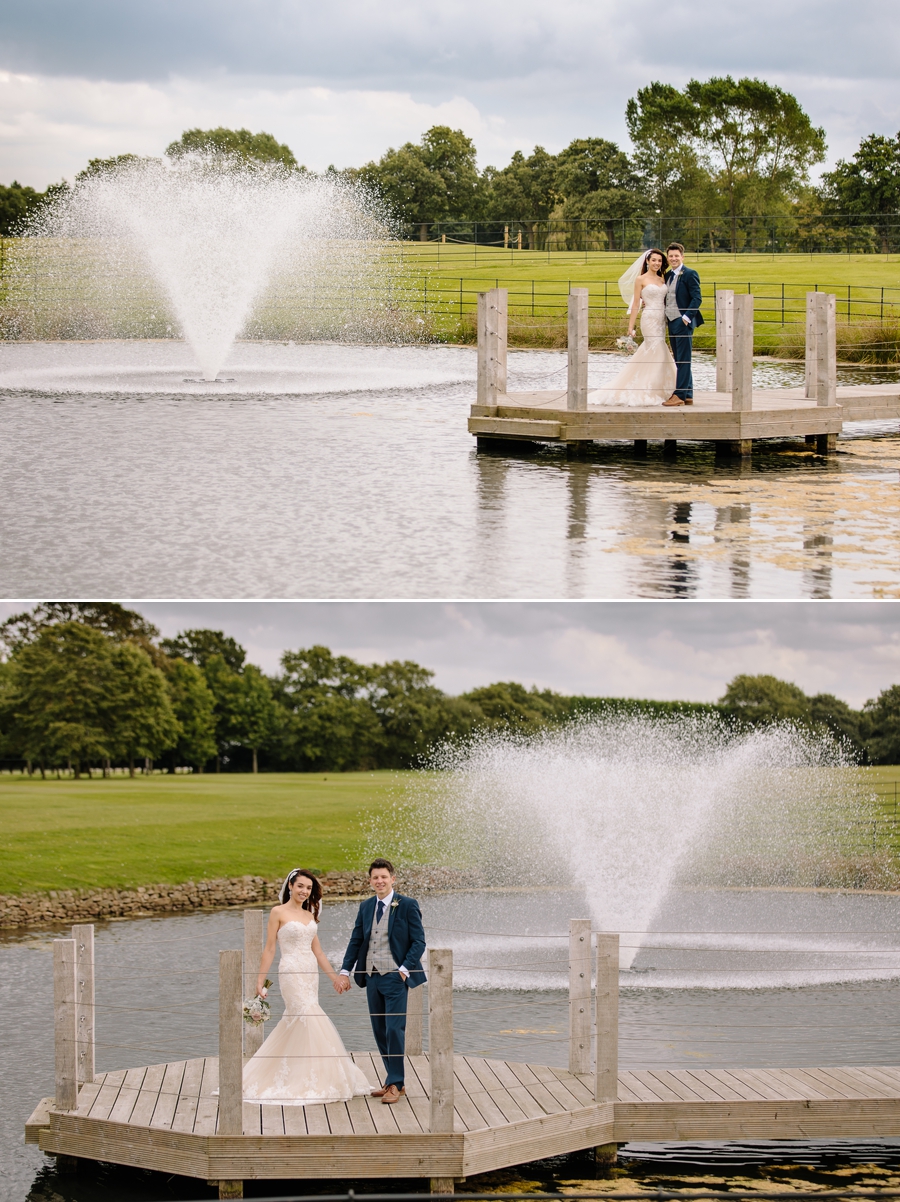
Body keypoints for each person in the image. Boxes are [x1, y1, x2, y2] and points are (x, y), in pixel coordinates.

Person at [242, 868, 371, 1105]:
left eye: (309, 888)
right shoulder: (277, 912)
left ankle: (305, 1072)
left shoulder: (310, 915)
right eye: (300, 886)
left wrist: (335, 977)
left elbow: (318, 951)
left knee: (299, 1019)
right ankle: (312, 1077)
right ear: (290, 886)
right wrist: (259, 980)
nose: (304, 891)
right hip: (291, 971)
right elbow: (270, 948)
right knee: (307, 1014)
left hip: (310, 972)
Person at [338, 858, 426, 1105]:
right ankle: (393, 1081)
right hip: (371, 977)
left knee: (394, 1029)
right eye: (375, 877)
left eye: (384, 877)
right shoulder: (366, 907)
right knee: (379, 1031)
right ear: (370, 881)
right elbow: (357, 940)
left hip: (395, 978)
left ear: (393, 879)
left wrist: (404, 969)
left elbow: (419, 942)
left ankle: (396, 1083)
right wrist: (345, 970)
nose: (379, 881)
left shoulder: (407, 905)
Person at [590, 248, 676, 406]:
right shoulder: (640, 279)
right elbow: (636, 303)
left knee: (657, 349)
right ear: (648, 262)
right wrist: (631, 327)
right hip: (649, 318)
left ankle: (661, 388)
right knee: (657, 348)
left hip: (662, 319)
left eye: (659, 260)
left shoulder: (663, 279)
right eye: (654, 260)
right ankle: (650, 389)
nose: (657, 263)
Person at [661, 242, 704, 407]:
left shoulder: (690, 274)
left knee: (684, 359)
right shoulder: (668, 276)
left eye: (676, 256)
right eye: (670, 256)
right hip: (671, 321)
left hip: (683, 321)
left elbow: (697, 298)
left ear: (682, 257)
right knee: (679, 359)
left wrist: (686, 318)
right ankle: (688, 394)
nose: (673, 259)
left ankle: (679, 395)